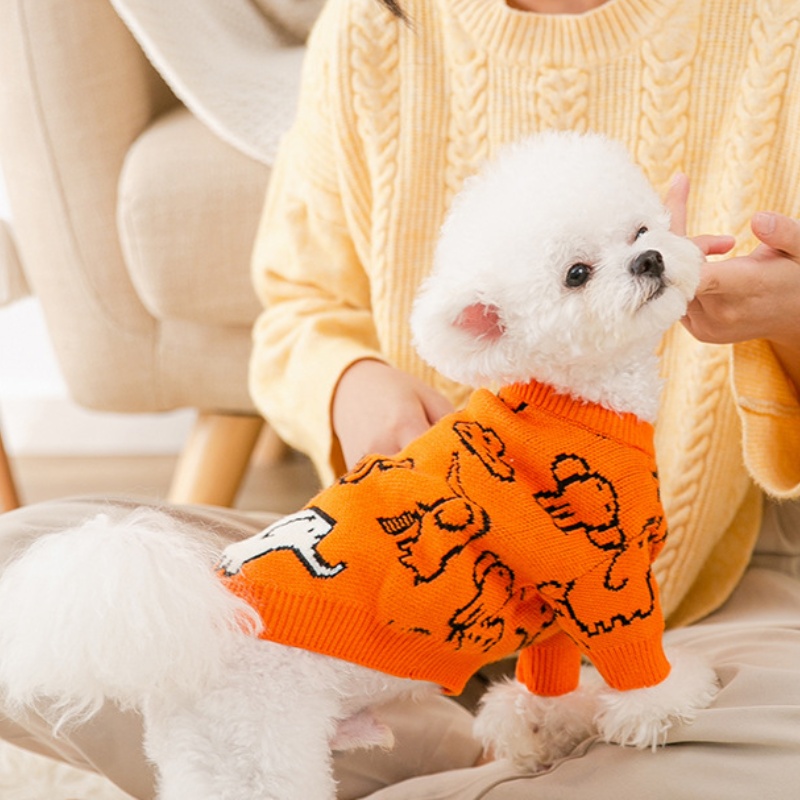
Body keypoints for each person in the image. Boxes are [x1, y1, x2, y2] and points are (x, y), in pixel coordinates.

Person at [1, 0, 800, 797]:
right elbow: (295, 309)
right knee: (24, 561)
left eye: (640, 237)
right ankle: (496, 759)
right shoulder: (369, 31)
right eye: (581, 272)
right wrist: (346, 382)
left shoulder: (777, 30)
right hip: (376, 601)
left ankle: (453, 761)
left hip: (717, 604)